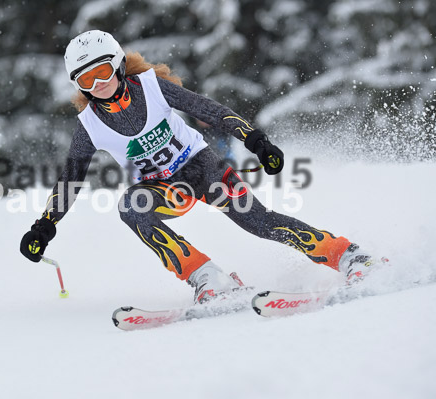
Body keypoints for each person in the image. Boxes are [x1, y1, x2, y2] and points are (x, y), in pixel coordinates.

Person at [20, 30, 379, 304]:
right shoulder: (89, 125)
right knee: (131, 207)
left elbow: (210, 111)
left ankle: (347, 255)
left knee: (258, 222)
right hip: (165, 189)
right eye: (86, 81)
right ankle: (208, 278)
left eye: (102, 72)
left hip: (203, 170)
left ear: (117, 65)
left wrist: (255, 140)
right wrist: (44, 226)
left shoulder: (150, 86)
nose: (98, 85)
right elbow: (70, 180)